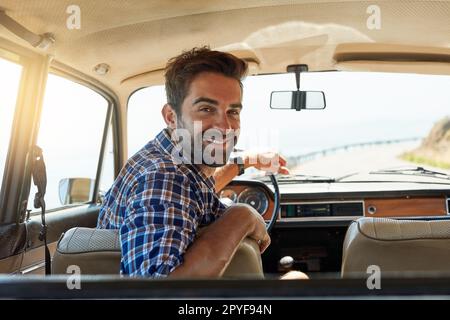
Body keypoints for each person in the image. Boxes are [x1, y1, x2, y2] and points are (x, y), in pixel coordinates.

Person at [97, 46, 292, 278]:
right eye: (206, 109)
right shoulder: (164, 178)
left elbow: (192, 196)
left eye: (233, 111)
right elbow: (155, 297)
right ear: (171, 116)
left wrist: (245, 161)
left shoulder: (174, 165)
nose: (225, 127)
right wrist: (241, 216)